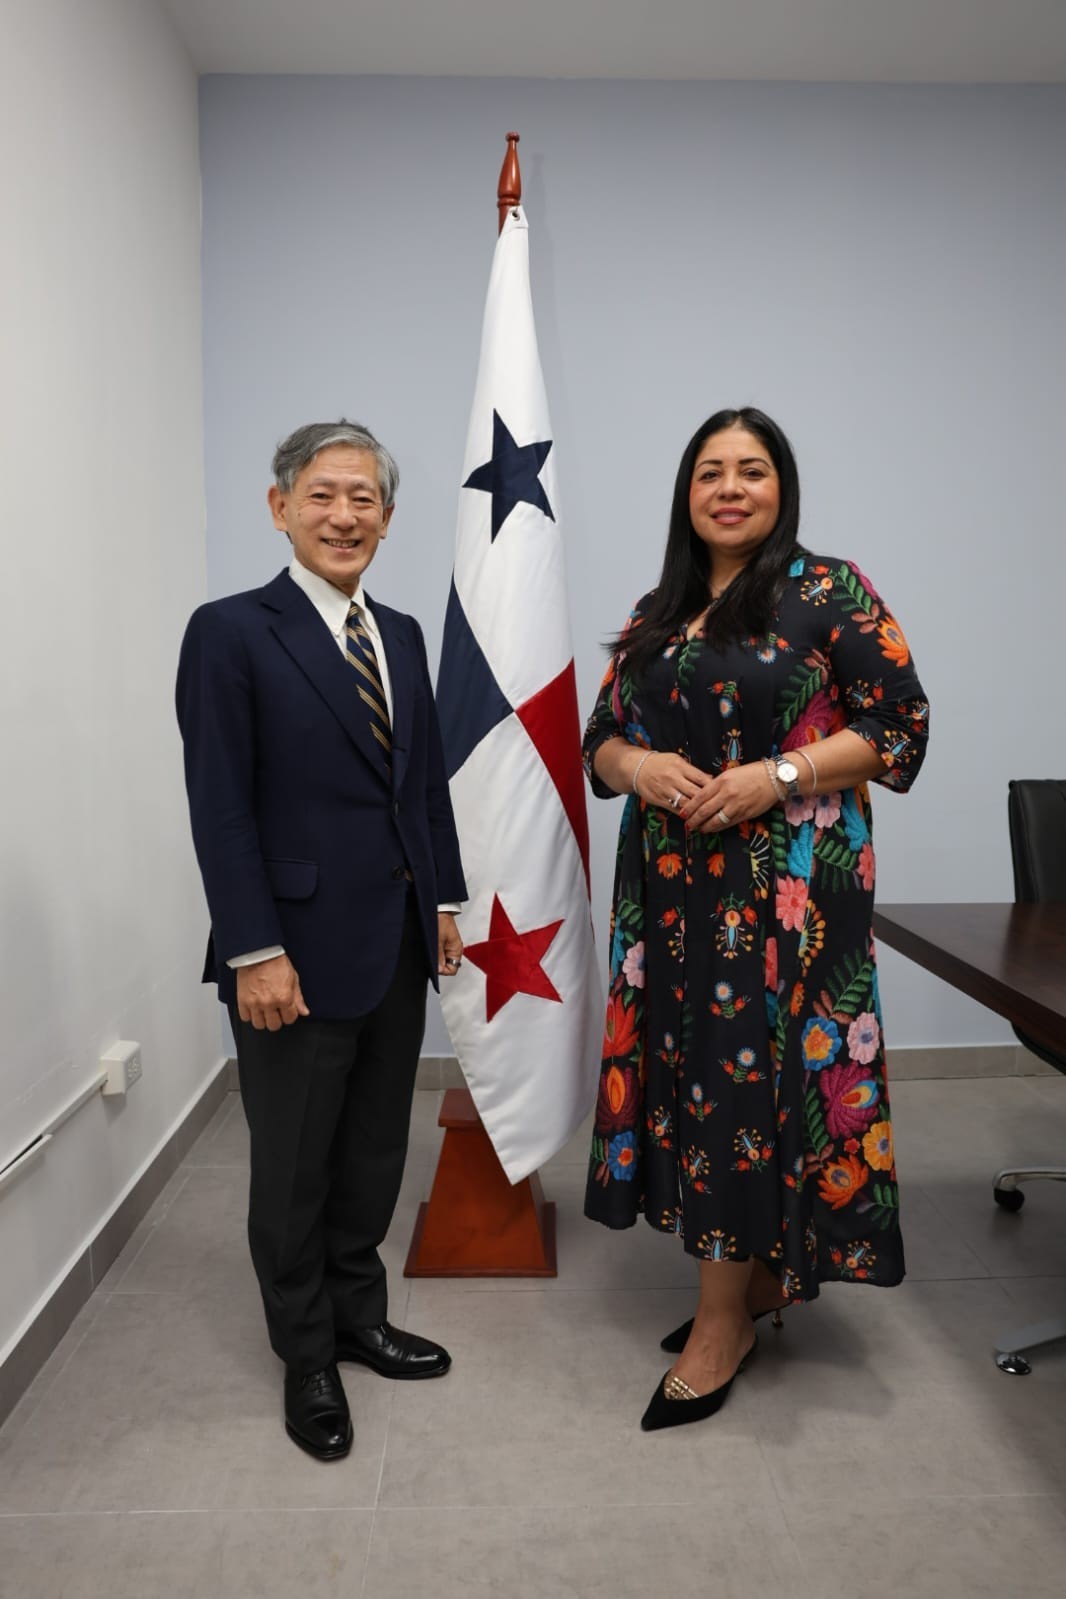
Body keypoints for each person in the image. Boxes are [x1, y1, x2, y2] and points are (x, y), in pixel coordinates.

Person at [582, 407, 929, 1431]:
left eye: (751, 470)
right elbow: (601, 736)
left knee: (750, 1084)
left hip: (786, 896)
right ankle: (758, 1277)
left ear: (782, 487)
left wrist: (777, 775)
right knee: (698, 1079)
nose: (729, 489)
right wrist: (638, 765)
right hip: (671, 894)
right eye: (709, 472)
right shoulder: (659, 609)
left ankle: (720, 1320)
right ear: (686, 494)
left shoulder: (829, 590)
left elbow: (899, 726)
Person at [176, 420, 466, 1461]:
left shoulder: (404, 634)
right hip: (289, 955)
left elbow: (422, 789)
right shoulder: (230, 631)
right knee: (294, 1167)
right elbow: (220, 806)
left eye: (364, 499)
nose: (344, 515)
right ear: (281, 507)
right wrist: (253, 949)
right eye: (323, 494)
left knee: (374, 1150)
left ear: (386, 518)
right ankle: (305, 1354)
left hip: (395, 941)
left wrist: (444, 903)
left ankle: (358, 1318)